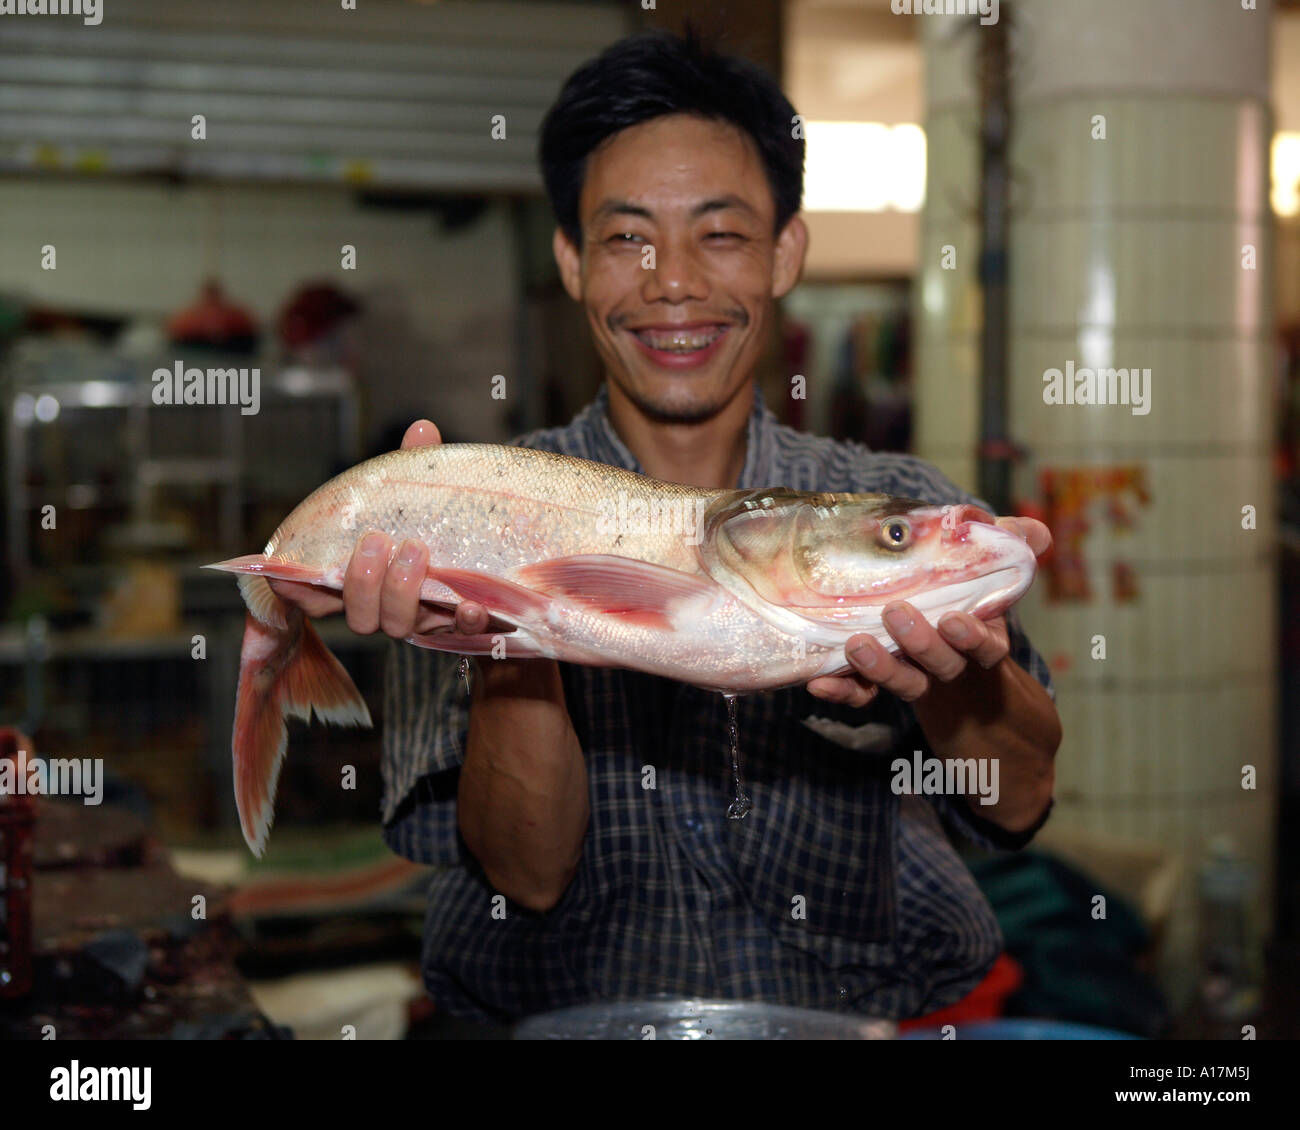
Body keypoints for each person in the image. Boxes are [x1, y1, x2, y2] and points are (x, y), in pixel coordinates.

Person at [270, 29, 1061, 1025]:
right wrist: (504, 630)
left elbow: (1018, 797)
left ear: (785, 253)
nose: (673, 281)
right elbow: (526, 874)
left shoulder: (891, 502)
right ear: (571, 260)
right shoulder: (476, 516)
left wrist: (956, 677)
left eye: (721, 234)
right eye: (626, 237)